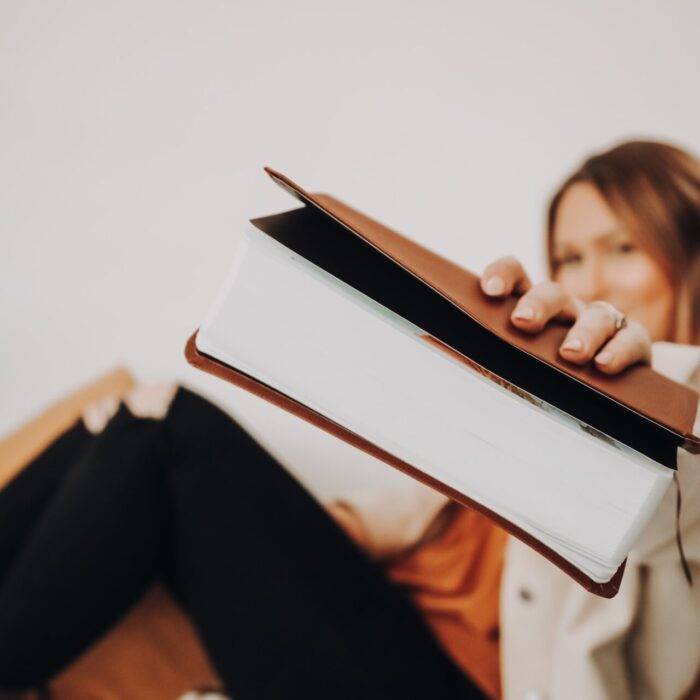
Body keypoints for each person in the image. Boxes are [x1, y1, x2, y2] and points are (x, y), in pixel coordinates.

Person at [1, 139, 698, 700]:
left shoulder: (684, 435)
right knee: (125, 418)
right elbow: (430, 513)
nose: (588, 280)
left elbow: (679, 524)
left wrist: (661, 391)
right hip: (369, 625)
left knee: (166, 434)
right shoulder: (537, 420)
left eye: (623, 248)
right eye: (569, 257)